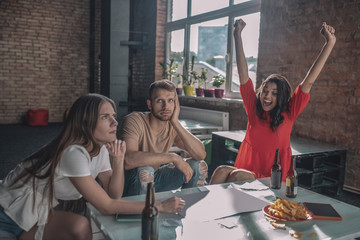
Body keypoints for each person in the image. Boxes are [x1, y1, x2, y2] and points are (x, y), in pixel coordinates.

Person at [0, 94, 185, 240]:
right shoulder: (74, 153)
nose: (115, 122)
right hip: (5, 216)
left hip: (33, 216)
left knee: (80, 227)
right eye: (105, 117)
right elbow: (107, 206)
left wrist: (118, 160)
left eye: (113, 115)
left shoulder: (101, 149)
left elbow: (113, 195)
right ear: (85, 122)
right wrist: (158, 206)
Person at [209, 19, 336, 184]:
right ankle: (210, 207)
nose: (267, 96)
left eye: (274, 93)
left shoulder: (289, 112)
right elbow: (243, 74)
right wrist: (237, 35)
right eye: (265, 91)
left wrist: (329, 44)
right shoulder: (254, 109)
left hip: (271, 178)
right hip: (247, 170)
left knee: (237, 176)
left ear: (281, 97)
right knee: (220, 171)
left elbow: (309, 81)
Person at [120, 80, 208, 196]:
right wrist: (173, 157)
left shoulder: (172, 126)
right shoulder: (134, 120)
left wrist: (175, 122)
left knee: (198, 166)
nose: (166, 106)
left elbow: (200, 154)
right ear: (150, 104)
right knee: (146, 170)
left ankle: (186, 210)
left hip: (155, 178)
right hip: (128, 184)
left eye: (170, 100)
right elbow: (128, 159)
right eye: (159, 101)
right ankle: (141, 213)